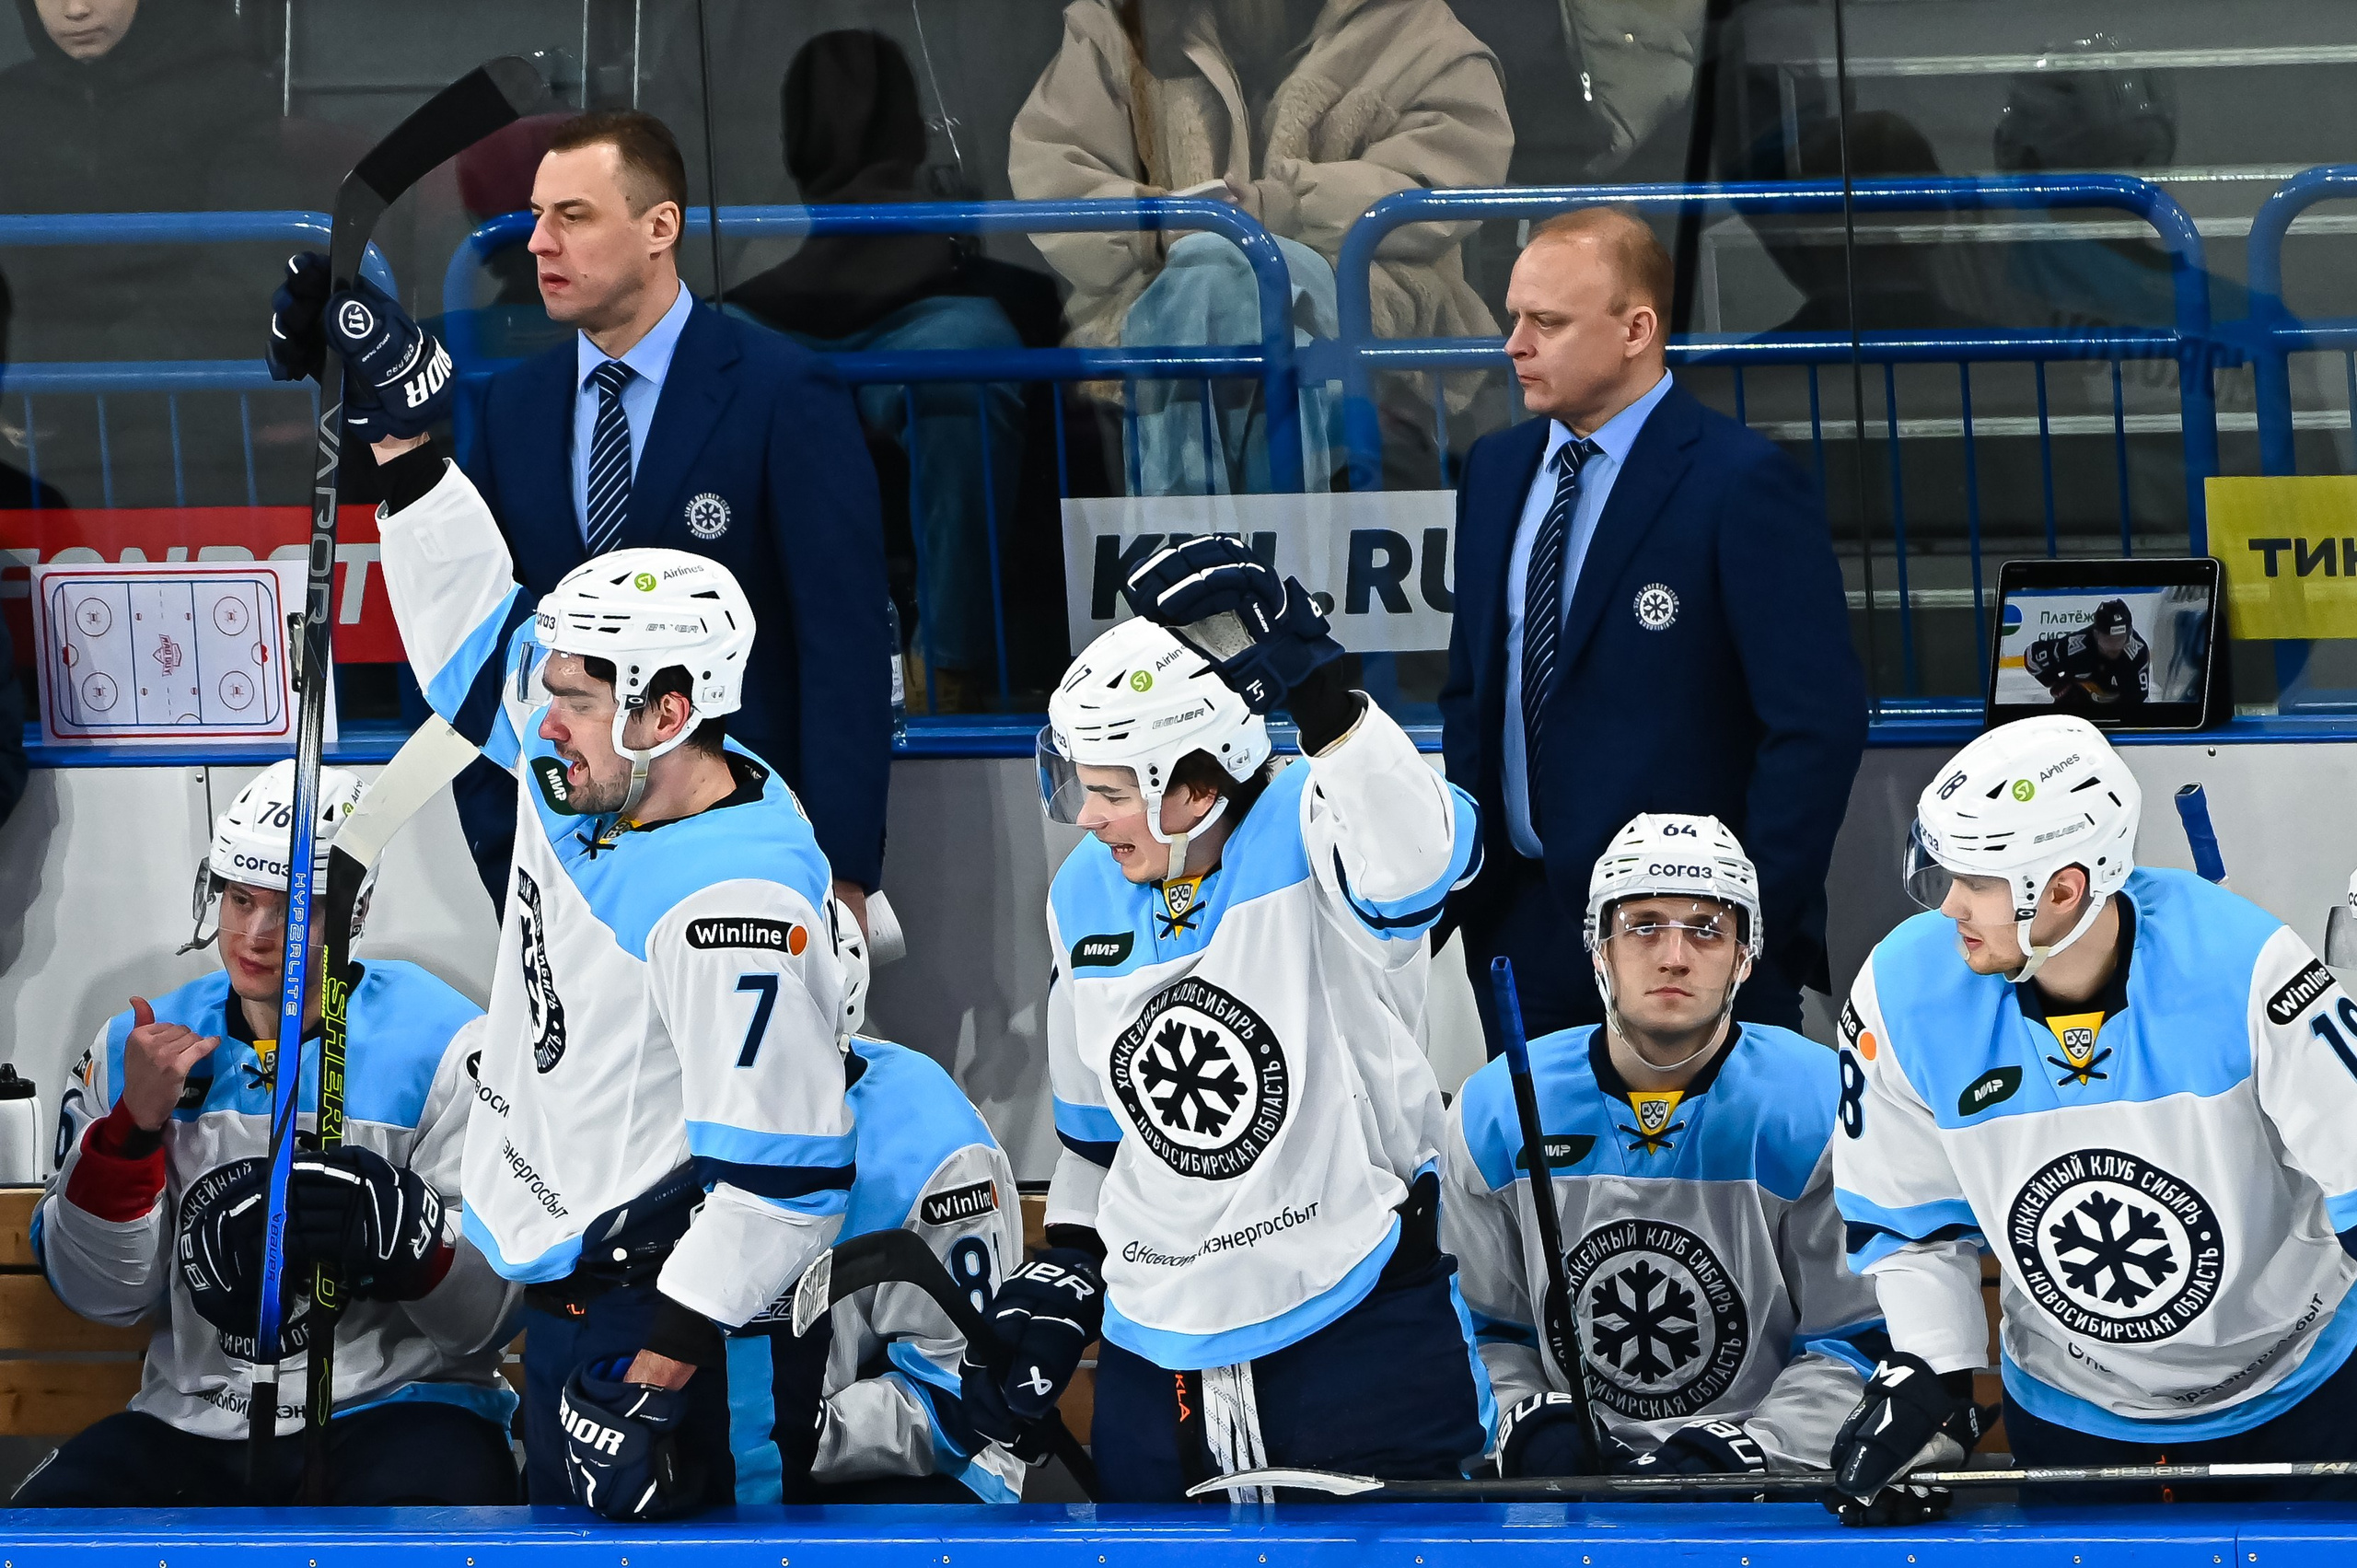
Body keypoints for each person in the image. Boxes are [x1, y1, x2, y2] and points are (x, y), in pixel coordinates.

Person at [296, 273, 857, 1518]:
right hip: (566, 1301)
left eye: (577, 698)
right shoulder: (590, 766)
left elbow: (784, 1182)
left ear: (672, 712)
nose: (536, 719)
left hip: (680, 1338)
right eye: (551, 687)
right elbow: (464, 640)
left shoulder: (738, 898)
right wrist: (401, 425)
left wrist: (654, 1369)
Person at [971, 534, 1489, 1501]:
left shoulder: (1313, 817)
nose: (1086, 813)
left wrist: (1323, 695)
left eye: (1113, 790)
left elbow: (1422, 860)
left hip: (1351, 1325)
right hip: (1150, 1348)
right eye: (1081, 781)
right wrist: (1069, 1272)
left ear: (1198, 785)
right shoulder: (1087, 886)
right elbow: (1096, 1141)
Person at [1829, 714, 2357, 1522]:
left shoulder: (2248, 970)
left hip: (2296, 1383)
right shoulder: (1902, 994)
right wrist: (1932, 1372)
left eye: (1977, 881)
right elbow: (1907, 1222)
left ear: (2065, 888)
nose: (1951, 907)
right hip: (2073, 1407)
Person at [424, 108, 892, 923]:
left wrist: (842, 869)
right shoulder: (508, 410)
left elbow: (841, 647)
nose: (538, 243)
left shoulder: (782, 393)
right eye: (536, 217)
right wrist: (508, 853)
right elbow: (481, 643)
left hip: (748, 859)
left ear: (660, 226)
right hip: (561, 866)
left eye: (572, 217)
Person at [16, 761, 519, 1506]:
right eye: (239, 897)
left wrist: (411, 1240)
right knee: (42, 1533)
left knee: (446, 1532)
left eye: (294, 908)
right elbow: (102, 1295)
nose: (255, 935)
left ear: (354, 908)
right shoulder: (139, 1040)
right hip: (193, 1418)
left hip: (397, 1408)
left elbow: (484, 1325)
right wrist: (129, 1132)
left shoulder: (447, 1042)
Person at [1439, 207, 1865, 1046]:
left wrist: (1743, 919)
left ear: (1638, 329)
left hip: (1689, 942)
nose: (1514, 344)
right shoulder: (1495, 469)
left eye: (1546, 322)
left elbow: (1814, 724)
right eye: (1515, 317)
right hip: (1525, 930)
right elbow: (1472, 690)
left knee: (1712, 1178)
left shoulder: (1742, 483)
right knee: (1545, 1179)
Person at [1445, 814, 1883, 1483]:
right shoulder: (1496, 1109)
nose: (1674, 954)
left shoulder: (1818, 1103)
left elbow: (1854, 1338)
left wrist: (1757, 1447)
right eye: (1644, 924)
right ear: (1600, 948)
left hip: (1767, 1499)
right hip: (1570, 1497)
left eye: (1707, 928)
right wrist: (1526, 1420)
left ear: (1745, 953)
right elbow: (1483, 1328)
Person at [1007, 0, 1510, 491]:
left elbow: (1446, 188)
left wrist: (1284, 207)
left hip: (1359, 329)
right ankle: (1271, 556)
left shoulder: (1421, 32)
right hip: (1163, 323)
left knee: (1231, 279)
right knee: (1213, 273)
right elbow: (1055, 175)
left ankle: (1186, 552)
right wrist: (1169, 227)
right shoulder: (1118, 26)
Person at [724, 29, 1023, 714]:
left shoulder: (962, 324)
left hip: (923, 310)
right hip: (786, 312)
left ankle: (947, 661)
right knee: (712, 365)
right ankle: (747, 654)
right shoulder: (744, 295)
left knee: (964, 371)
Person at [803, 903, 1030, 1504]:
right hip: (757, 1458)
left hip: (920, 1483)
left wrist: (801, 1426)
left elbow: (960, 1397)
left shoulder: (931, 1144)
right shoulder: (657, 1102)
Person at [2023, 599, 2150, 713]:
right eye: (2108, 640)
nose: (2114, 647)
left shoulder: (2137, 654)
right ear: (2096, 635)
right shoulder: (2074, 649)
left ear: (2129, 635)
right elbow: (2032, 657)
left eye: (2120, 639)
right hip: (2076, 713)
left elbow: (2139, 704)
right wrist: (2053, 682)